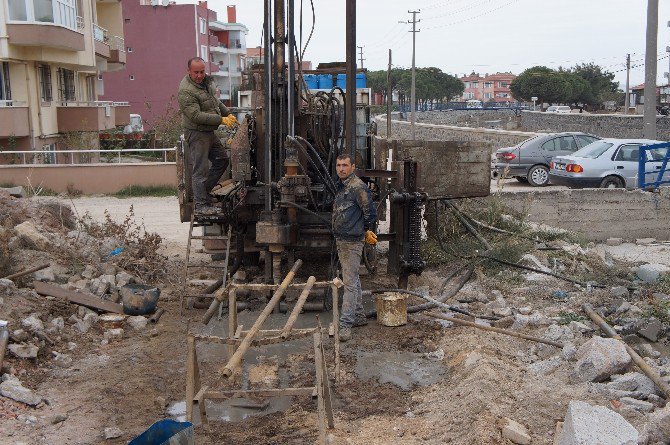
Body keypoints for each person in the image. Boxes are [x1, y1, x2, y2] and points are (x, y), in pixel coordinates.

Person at [178, 57, 237, 215]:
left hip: (208, 131)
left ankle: (203, 194)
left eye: (202, 72)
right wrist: (222, 119)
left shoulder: (204, 83)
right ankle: (201, 205)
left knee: (222, 160)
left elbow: (215, 101)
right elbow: (196, 116)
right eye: (196, 72)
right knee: (200, 170)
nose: (199, 75)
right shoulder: (186, 91)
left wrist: (228, 113)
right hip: (196, 133)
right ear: (189, 71)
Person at [332, 153, 377, 342]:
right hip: (342, 239)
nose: (341, 169)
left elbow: (370, 212)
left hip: (352, 241)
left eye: (345, 165)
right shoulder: (344, 187)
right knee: (353, 278)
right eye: (338, 165)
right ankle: (358, 315)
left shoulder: (358, 187)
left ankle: (345, 325)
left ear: (352, 167)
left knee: (349, 284)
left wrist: (367, 231)